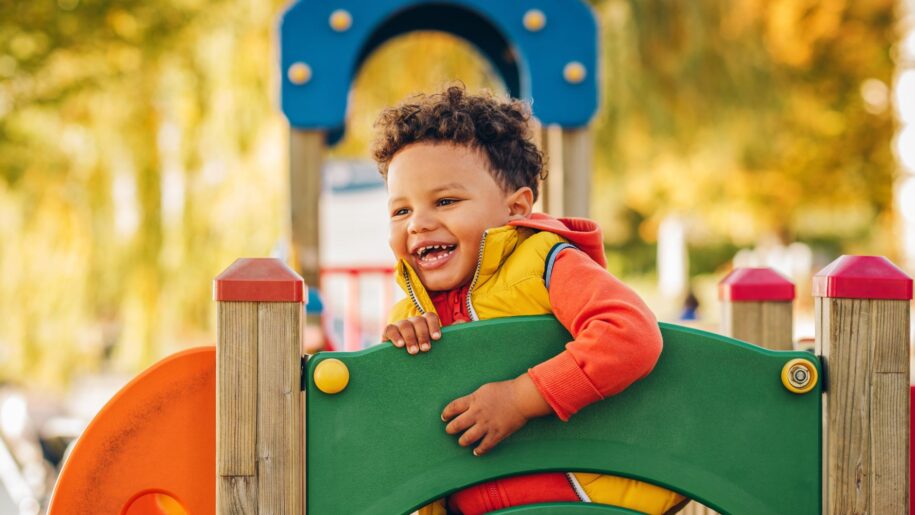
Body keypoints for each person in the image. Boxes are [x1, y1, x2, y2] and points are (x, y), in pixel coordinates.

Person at [374, 85, 686, 515]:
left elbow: (629, 334)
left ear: (517, 208)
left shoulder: (545, 261)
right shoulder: (410, 313)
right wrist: (398, 360)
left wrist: (520, 398)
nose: (419, 224)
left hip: (586, 498)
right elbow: (401, 433)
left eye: (445, 201)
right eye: (400, 211)